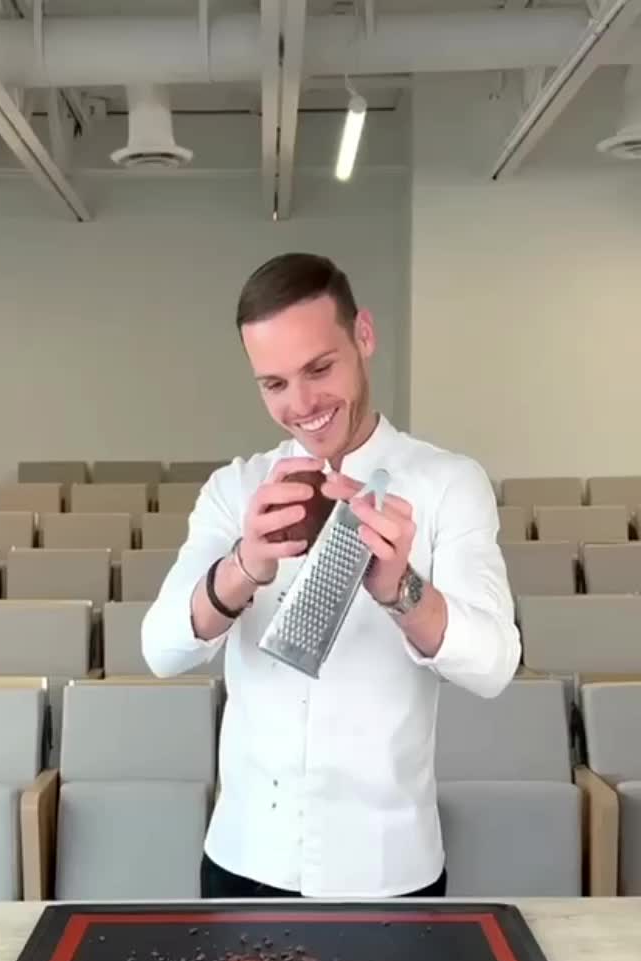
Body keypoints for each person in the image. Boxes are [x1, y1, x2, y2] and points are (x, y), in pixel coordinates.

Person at [142, 253, 520, 900]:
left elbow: (494, 665)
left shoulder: (450, 485)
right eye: (274, 384)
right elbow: (160, 650)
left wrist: (402, 591)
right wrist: (244, 566)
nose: (303, 404)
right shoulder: (234, 490)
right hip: (243, 860)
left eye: (319, 368)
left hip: (389, 869)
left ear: (364, 336)